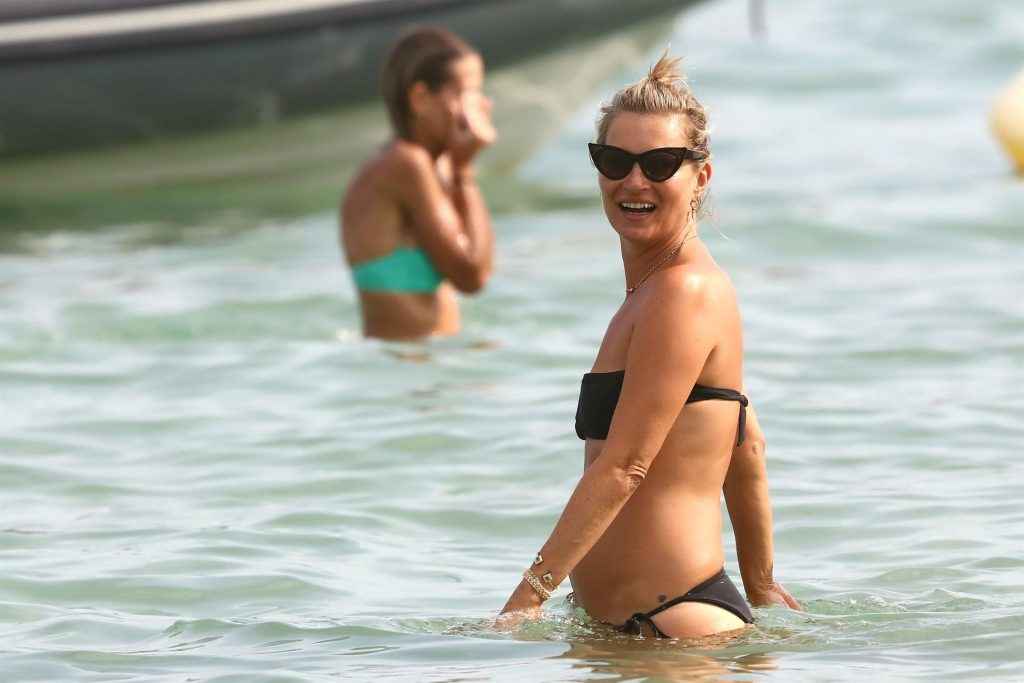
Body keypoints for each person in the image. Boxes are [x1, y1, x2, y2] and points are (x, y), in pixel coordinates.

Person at [499, 54, 799, 638]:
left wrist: (524, 601)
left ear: (700, 177)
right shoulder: (656, 292)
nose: (634, 182)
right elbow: (746, 443)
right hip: (630, 630)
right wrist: (760, 584)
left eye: (660, 164)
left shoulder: (684, 292)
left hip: (674, 625)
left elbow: (625, 466)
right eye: (615, 161)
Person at [340, 27, 496, 340]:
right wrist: (464, 171)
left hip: (424, 358)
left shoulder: (432, 166)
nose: (483, 106)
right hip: (405, 362)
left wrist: (457, 169)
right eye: (467, 94)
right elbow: (472, 276)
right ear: (420, 98)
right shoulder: (406, 164)